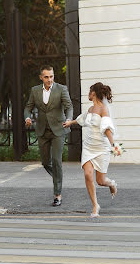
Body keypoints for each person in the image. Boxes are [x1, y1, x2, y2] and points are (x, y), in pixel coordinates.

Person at [63, 82, 117, 217]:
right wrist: (71, 122)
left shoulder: (103, 109)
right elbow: (82, 119)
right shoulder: (91, 109)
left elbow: (107, 128)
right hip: (88, 147)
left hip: (101, 148)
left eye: (90, 91)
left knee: (100, 181)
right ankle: (95, 205)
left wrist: (114, 145)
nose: (88, 93)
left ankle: (111, 184)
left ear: (94, 93)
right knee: (88, 174)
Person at [24, 65, 73, 207]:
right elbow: (28, 107)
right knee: (45, 162)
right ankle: (58, 178)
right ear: (41, 78)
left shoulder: (61, 89)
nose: (49, 79)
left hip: (59, 129)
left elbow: (68, 106)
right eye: (46, 77)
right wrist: (27, 118)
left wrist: (69, 119)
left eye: (51, 76)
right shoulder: (35, 91)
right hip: (42, 130)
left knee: (56, 161)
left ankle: (57, 194)